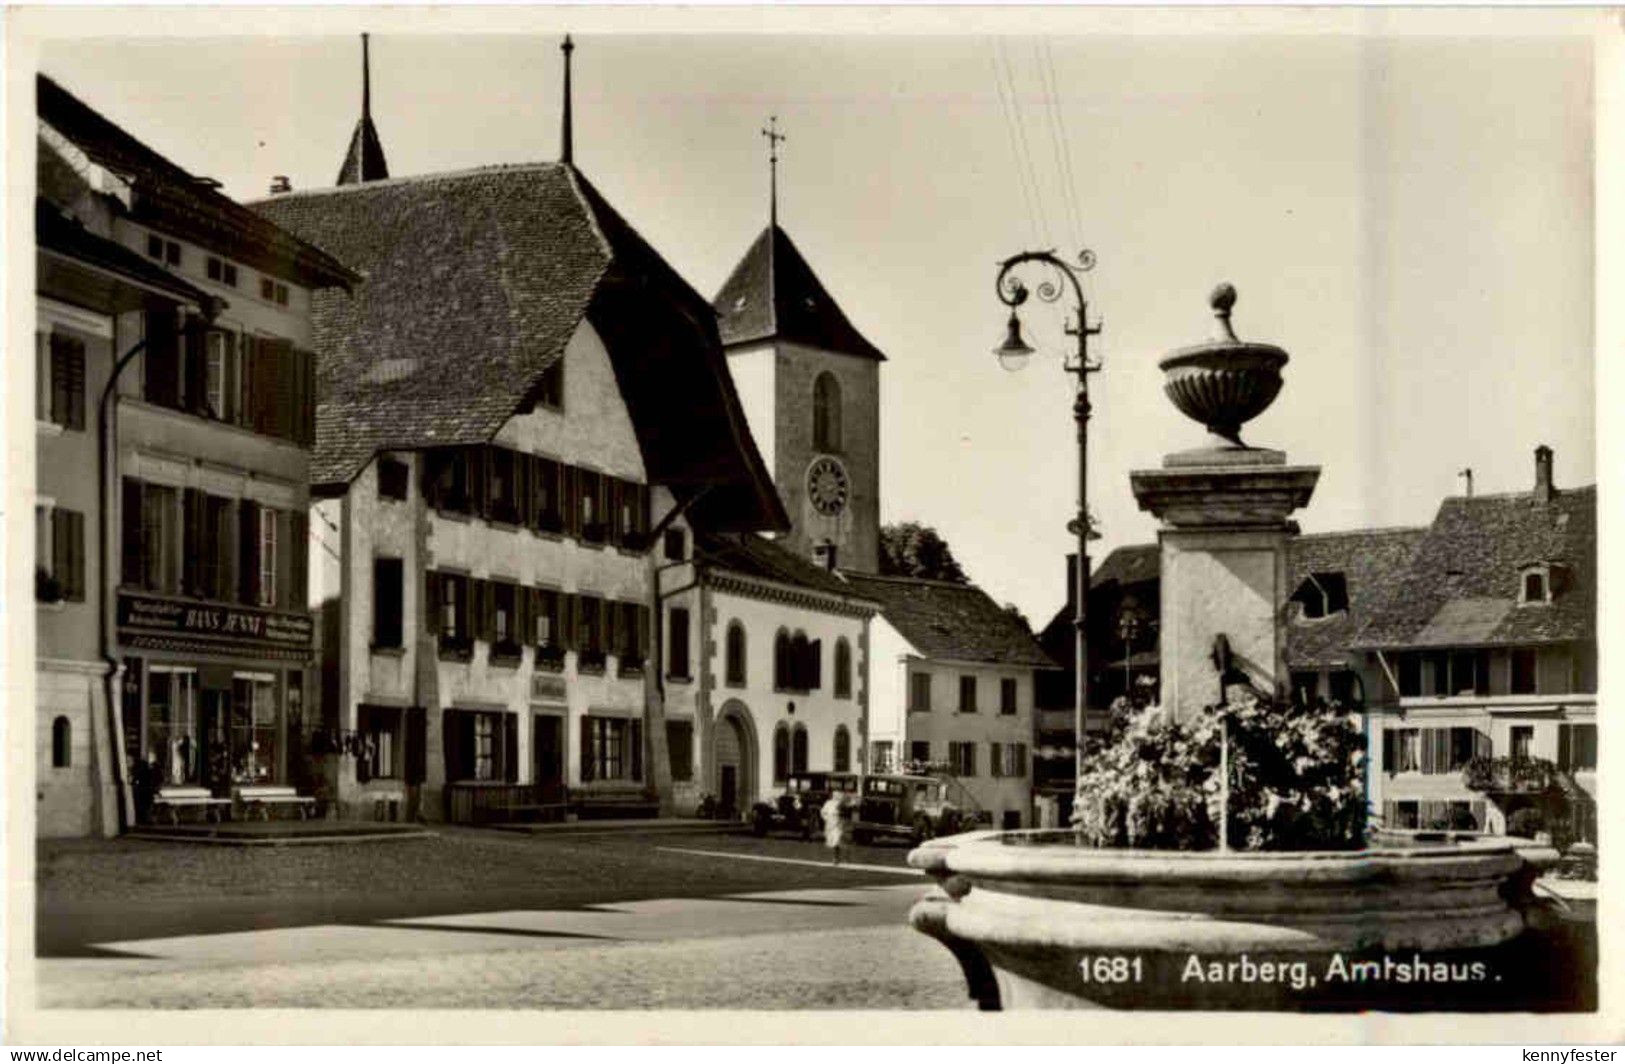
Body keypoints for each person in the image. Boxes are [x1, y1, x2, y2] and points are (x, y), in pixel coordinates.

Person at [821, 792, 849, 866]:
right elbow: (823, 812)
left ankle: (836, 858)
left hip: (838, 824)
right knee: (833, 841)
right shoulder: (828, 803)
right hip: (830, 824)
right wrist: (826, 819)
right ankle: (836, 858)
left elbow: (844, 812)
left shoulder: (841, 804)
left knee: (837, 840)